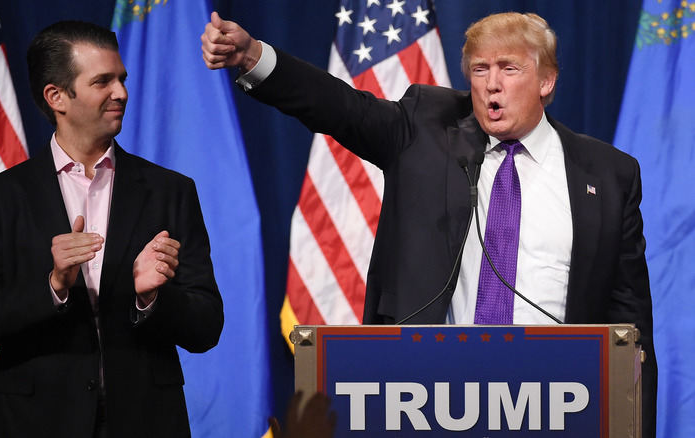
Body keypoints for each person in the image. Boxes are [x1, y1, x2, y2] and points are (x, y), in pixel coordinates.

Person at [202, 11, 656, 437]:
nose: (491, 85)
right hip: (433, 394)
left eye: (509, 69)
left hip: (557, 399)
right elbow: (339, 105)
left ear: (547, 81)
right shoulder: (426, 129)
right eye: (480, 70)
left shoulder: (608, 174)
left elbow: (631, 323)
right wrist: (253, 57)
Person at [0, 20, 223, 437]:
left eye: (122, 79)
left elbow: (207, 326)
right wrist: (53, 284)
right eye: (103, 81)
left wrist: (151, 298)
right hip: (36, 424)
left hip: (146, 422)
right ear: (56, 96)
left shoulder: (171, 191)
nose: (122, 93)